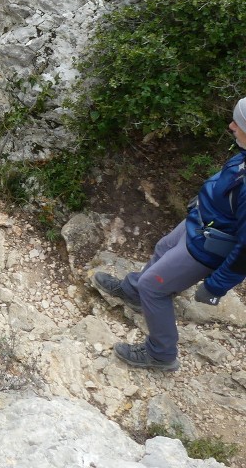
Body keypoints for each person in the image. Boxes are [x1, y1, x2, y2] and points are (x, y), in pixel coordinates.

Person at [92, 97, 246, 372]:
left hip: (206, 247)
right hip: (199, 226)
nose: (232, 125)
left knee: (155, 286)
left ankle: (161, 354)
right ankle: (133, 292)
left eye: (239, 123)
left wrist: (215, 286)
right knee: (163, 247)